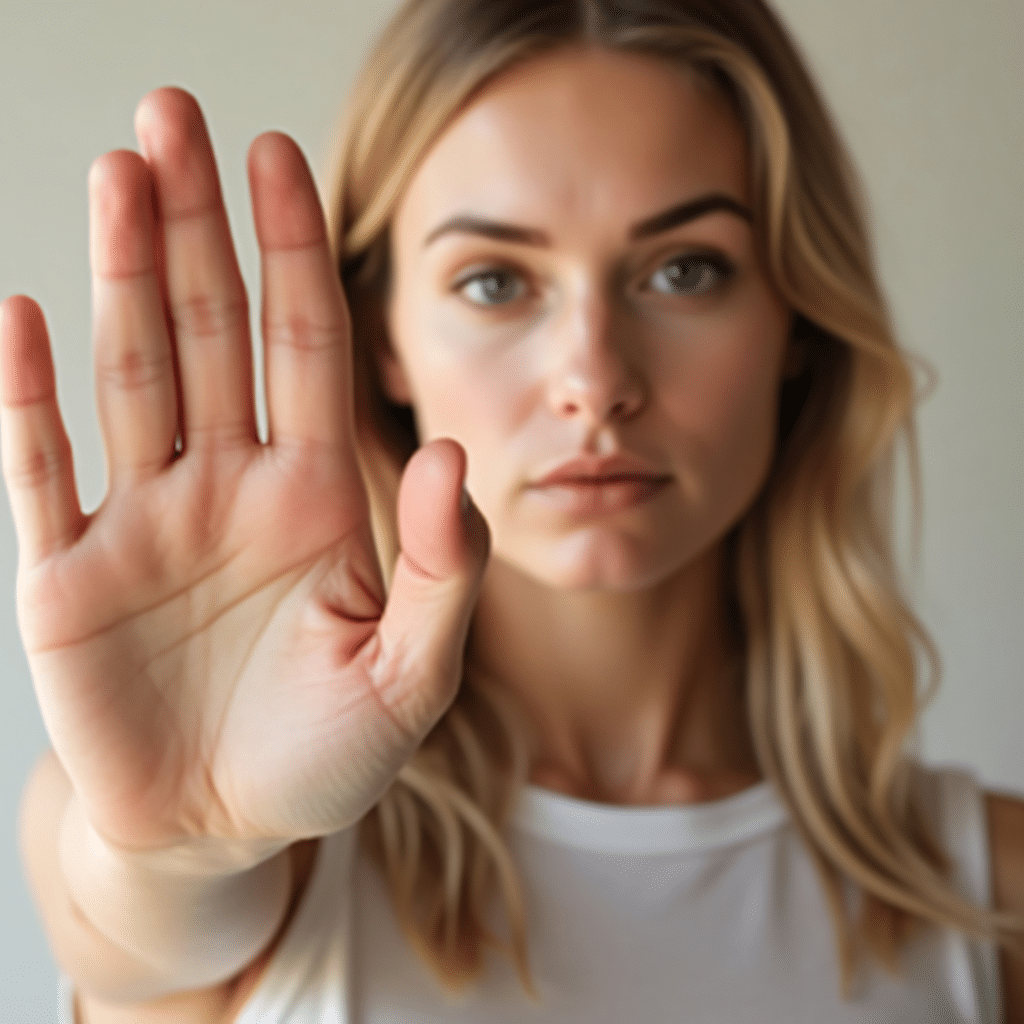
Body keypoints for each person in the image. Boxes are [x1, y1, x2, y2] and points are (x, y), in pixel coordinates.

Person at [3, 0, 1022, 1021]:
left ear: (794, 317)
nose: (594, 378)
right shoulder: (263, 830)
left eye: (685, 269)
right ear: (384, 335)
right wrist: (188, 846)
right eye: (495, 281)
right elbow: (140, 929)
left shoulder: (993, 898)